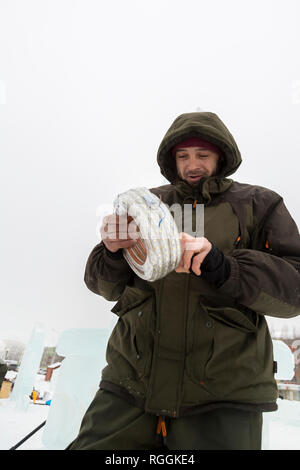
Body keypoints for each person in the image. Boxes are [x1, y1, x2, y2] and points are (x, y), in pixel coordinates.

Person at [67, 112, 300, 450]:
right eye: (183, 155)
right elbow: (102, 285)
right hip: (130, 385)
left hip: (223, 395)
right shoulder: (147, 203)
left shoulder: (258, 204)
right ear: (170, 159)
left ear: (221, 155)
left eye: (202, 155)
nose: (192, 164)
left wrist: (223, 266)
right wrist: (113, 251)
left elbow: (293, 288)